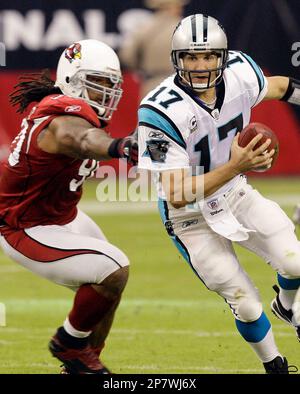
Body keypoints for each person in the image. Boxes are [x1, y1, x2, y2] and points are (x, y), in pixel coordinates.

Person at [138, 14, 300, 373]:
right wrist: (236, 165)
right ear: (175, 59)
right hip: (189, 217)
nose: (200, 66)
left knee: (295, 262)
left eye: (208, 56)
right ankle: (275, 365)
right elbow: (177, 193)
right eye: (190, 57)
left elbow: (278, 86)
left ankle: (288, 306)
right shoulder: (159, 110)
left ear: (222, 57)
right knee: (244, 302)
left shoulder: (241, 72)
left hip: (234, 193)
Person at [0, 39, 138, 374]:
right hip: (25, 226)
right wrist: (119, 146)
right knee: (114, 268)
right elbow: (78, 139)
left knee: (110, 280)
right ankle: (69, 344)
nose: (106, 93)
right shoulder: (61, 118)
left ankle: (85, 361)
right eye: (98, 83)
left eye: (110, 86)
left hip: (61, 217)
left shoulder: (67, 111)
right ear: (72, 80)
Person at [119, 0, 189, 99]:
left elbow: (127, 57)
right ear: (172, 6)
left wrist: (139, 67)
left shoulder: (144, 28)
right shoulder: (186, 27)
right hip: (181, 85)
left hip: (151, 85)